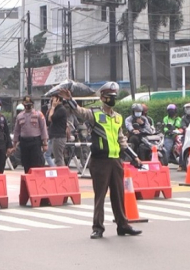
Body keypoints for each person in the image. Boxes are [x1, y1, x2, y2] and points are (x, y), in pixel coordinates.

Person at [58, 82, 143, 239]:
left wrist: (134, 157)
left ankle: (122, 225)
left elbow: (121, 139)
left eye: (114, 97)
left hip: (116, 160)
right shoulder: (94, 114)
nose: (112, 99)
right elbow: (79, 112)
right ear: (102, 98)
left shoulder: (118, 118)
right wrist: (70, 100)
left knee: (119, 195)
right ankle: (98, 227)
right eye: (109, 97)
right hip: (100, 161)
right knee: (100, 196)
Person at [12, 95, 49, 173]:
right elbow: (16, 131)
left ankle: (36, 182)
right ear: (23, 104)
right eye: (25, 103)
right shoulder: (20, 116)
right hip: (24, 142)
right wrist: (14, 144)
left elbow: (43, 129)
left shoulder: (38, 114)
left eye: (29, 103)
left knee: (36, 163)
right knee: (26, 163)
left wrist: (45, 143)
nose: (27, 105)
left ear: (32, 104)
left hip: (35, 142)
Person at [47, 96, 69, 167]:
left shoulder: (61, 109)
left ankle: (62, 174)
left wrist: (53, 107)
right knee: (58, 157)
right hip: (55, 136)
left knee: (58, 159)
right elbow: (47, 118)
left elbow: (50, 118)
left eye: (53, 99)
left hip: (59, 137)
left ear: (58, 100)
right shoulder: (57, 109)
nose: (52, 101)